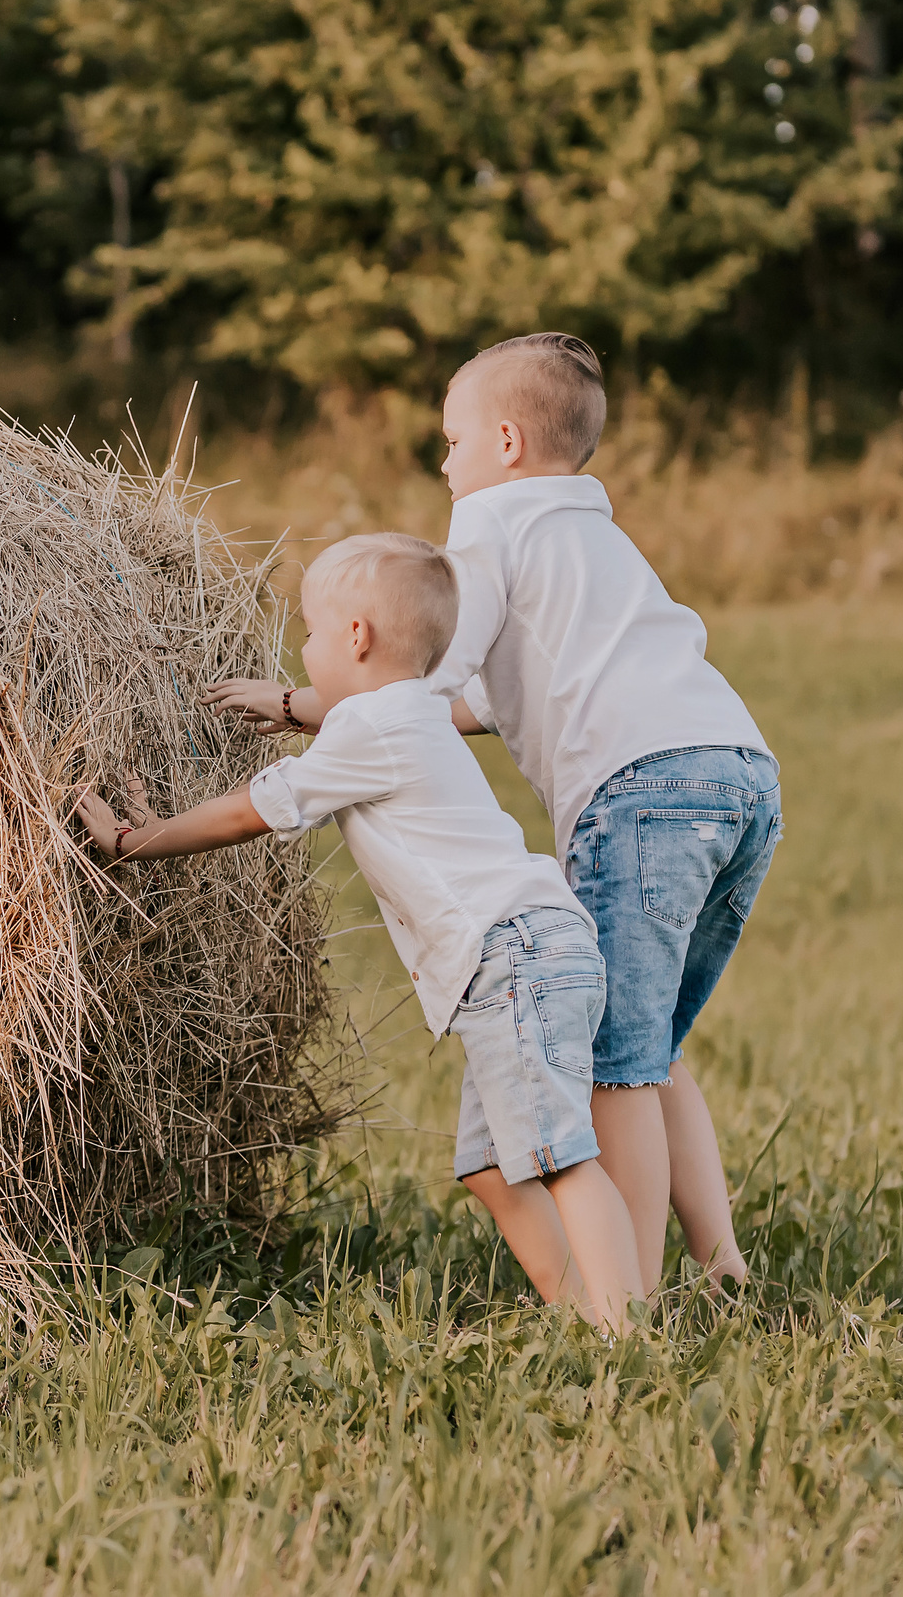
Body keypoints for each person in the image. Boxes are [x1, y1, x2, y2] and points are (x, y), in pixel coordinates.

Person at [208, 334, 780, 1292]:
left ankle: (628, 1300)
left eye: (452, 439)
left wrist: (312, 706)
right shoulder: (593, 531)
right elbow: (482, 704)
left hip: (638, 793)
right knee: (652, 1045)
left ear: (505, 442)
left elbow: (422, 677)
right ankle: (719, 1263)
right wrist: (309, 707)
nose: (444, 460)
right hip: (736, 774)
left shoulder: (488, 522)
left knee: (614, 1067)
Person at [76, 533, 644, 1329]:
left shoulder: (369, 732)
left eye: (308, 632)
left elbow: (250, 810)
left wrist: (142, 840)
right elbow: (331, 708)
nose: (301, 652)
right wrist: (284, 702)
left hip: (512, 954)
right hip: (525, 950)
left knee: (559, 1157)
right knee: (489, 1165)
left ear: (356, 638)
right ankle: (578, 1310)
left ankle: (627, 1334)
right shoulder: (406, 709)